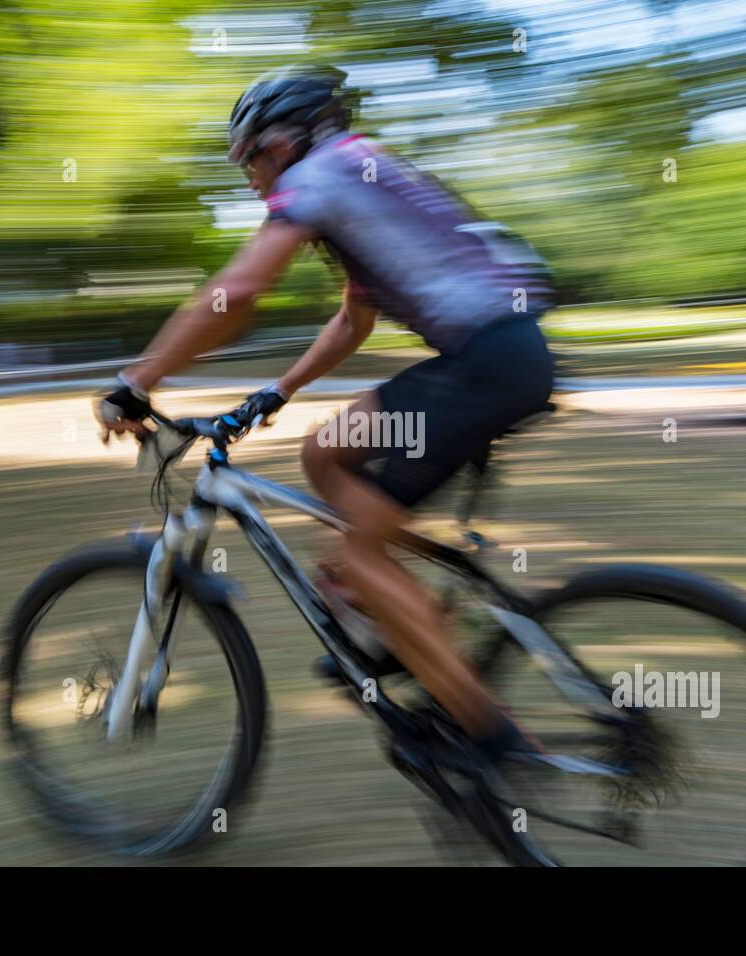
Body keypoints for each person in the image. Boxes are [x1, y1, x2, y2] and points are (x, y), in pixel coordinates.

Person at [97, 65, 556, 762]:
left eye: (249, 159)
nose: (250, 178)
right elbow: (353, 318)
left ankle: (489, 735)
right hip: (501, 356)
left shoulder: (320, 176)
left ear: (283, 142)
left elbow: (238, 292)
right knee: (323, 454)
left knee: (354, 553)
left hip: (485, 366)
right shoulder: (362, 170)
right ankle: (410, 623)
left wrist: (137, 380)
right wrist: (276, 392)